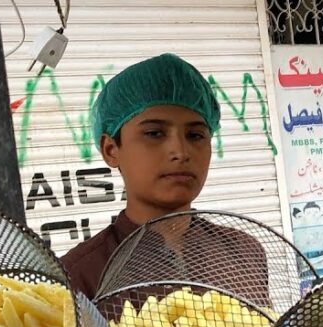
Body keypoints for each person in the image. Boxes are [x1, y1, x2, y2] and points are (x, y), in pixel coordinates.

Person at [61, 53, 268, 303]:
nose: (180, 152)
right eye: (154, 133)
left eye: (195, 135)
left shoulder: (244, 253)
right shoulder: (78, 276)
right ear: (111, 149)